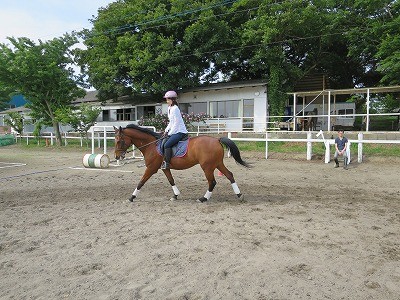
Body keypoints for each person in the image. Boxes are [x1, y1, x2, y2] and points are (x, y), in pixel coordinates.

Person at [161, 90, 188, 169]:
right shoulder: (170, 108)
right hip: (174, 131)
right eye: (166, 99)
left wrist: (170, 133)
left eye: (168, 99)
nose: (166, 101)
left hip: (180, 132)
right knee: (163, 141)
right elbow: (171, 122)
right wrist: (166, 130)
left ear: (172, 99)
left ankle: (167, 163)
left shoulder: (175, 108)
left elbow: (176, 123)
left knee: (167, 145)